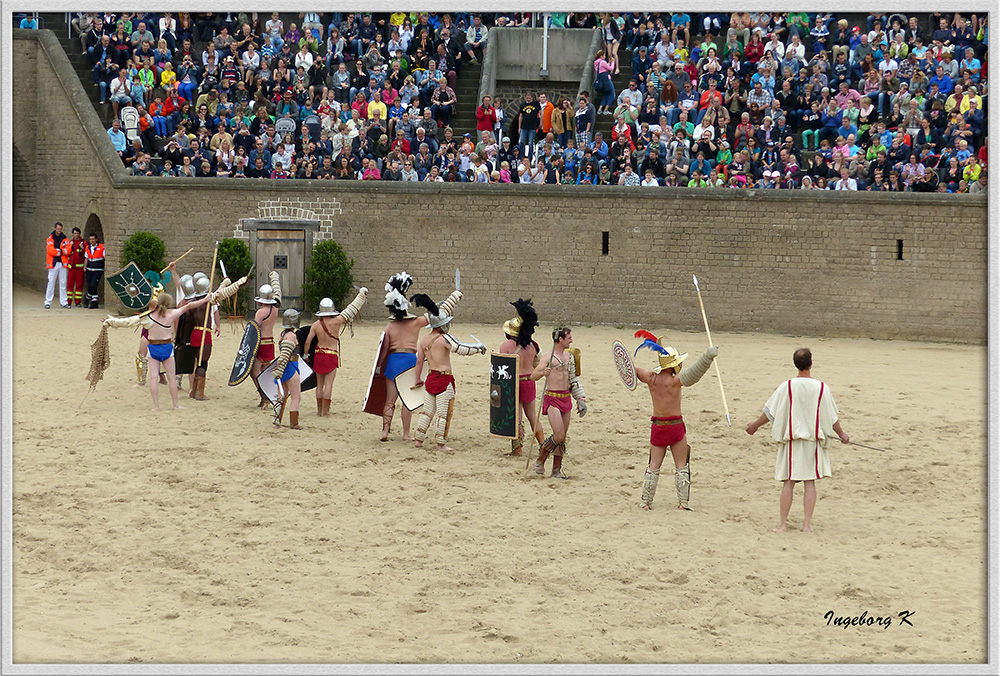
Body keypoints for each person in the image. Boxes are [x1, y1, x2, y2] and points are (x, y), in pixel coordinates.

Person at [746, 347, 850, 532]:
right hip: (811, 442)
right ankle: (806, 525)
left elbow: (770, 412)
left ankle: (783, 524)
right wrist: (842, 434)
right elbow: (831, 417)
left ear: (796, 364)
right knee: (810, 482)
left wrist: (754, 425)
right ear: (811, 363)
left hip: (792, 441)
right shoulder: (821, 387)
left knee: (789, 482)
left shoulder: (786, 386)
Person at [632, 332, 719, 510]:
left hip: (658, 426)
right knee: (681, 465)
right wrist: (708, 356)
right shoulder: (675, 381)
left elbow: (632, 369)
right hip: (675, 426)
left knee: (654, 465)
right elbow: (696, 372)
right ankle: (683, 503)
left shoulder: (651, 378)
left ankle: (646, 502)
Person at [372, 272, 462, 441]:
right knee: (408, 400)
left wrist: (379, 366)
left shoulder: (390, 326)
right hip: (409, 362)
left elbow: (383, 349)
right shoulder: (417, 323)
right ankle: (406, 434)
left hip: (393, 362)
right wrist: (454, 297)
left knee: (390, 400)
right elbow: (439, 313)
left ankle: (385, 431)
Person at [103, 289, 215, 411]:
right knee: (172, 378)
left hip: (153, 348)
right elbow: (189, 306)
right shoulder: (171, 314)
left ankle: (156, 406)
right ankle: (175, 405)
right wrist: (205, 300)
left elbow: (127, 322)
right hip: (167, 348)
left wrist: (111, 321)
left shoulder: (148, 317)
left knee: (153, 378)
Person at [410, 294, 487, 452]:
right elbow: (462, 349)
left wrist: (418, 378)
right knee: (443, 413)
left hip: (431, 377)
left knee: (427, 411)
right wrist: (479, 349)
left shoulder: (424, 340)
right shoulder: (444, 339)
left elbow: (419, 361)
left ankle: (418, 439)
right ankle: (440, 443)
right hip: (444, 379)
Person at [530, 327, 587, 479]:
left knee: (563, 438)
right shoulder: (548, 357)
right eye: (569, 338)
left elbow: (573, 380)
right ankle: (541, 457)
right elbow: (533, 376)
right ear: (560, 339)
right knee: (559, 435)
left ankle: (556, 470)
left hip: (566, 398)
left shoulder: (570, 357)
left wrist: (580, 398)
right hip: (552, 398)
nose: (572, 340)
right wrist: (543, 373)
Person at [303, 288, 368, 417]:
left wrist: (305, 356)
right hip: (331, 354)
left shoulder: (315, 325)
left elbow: (307, 342)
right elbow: (351, 309)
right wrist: (361, 296)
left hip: (318, 355)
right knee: (328, 385)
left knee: (320, 385)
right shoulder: (337, 322)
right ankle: (326, 412)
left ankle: (319, 411)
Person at [497, 299, 546, 457]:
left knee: (516, 417)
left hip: (514, 384)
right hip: (530, 381)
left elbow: (501, 367)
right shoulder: (533, 346)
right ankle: (543, 444)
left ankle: (517, 449)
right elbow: (538, 363)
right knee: (532, 415)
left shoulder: (506, 346)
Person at [251, 271, 283, 407]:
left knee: (254, 372)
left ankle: (264, 396)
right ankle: (269, 396)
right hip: (270, 342)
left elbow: (255, 329)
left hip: (261, 343)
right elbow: (277, 292)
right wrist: (274, 278)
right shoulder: (275, 310)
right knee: (266, 372)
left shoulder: (261, 312)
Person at [44, 222, 71, 309]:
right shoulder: (50, 239)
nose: (59, 230)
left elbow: (68, 250)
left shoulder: (65, 239)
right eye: (58, 229)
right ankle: (48, 302)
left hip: (63, 263)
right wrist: (61, 251)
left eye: (60, 229)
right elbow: (50, 251)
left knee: (63, 283)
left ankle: (64, 302)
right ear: (55, 228)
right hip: (53, 263)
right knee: (51, 282)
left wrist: (60, 251)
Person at [65, 227, 87, 307]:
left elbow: (86, 254)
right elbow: (67, 254)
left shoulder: (83, 243)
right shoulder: (70, 243)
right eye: (74, 233)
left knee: (79, 285)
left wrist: (83, 248)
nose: (76, 235)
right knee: (69, 285)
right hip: (71, 268)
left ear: (79, 234)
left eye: (77, 233)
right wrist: (70, 247)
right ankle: (68, 301)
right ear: (72, 234)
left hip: (79, 268)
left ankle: (78, 302)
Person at [83, 231, 105, 309]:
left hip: (98, 269)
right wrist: (84, 267)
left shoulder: (102, 247)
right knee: (89, 285)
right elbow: (86, 258)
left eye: (93, 239)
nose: (91, 241)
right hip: (89, 269)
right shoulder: (88, 248)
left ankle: (88, 298)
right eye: (90, 239)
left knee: (93, 285)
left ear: (96, 240)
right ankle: (93, 301)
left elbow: (105, 257)